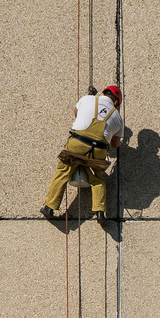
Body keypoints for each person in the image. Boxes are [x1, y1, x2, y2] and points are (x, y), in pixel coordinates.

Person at [40, 85, 123, 222]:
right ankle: (100, 212)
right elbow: (115, 144)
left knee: (63, 171)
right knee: (97, 178)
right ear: (116, 102)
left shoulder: (87, 99)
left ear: (103, 93)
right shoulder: (118, 118)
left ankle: (50, 206)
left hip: (77, 144)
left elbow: (77, 113)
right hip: (98, 151)